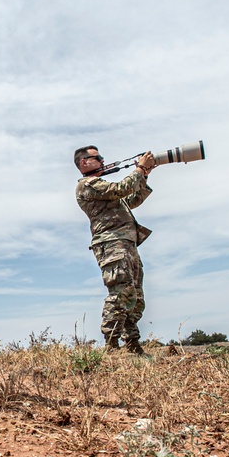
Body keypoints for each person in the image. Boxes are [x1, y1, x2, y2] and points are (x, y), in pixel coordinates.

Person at [74, 146, 156, 354]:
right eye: (97, 158)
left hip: (126, 243)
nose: (102, 161)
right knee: (120, 292)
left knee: (135, 295)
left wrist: (143, 176)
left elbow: (131, 200)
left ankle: (132, 345)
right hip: (111, 243)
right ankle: (111, 345)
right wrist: (138, 170)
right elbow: (120, 189)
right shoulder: (88, 184)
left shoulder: (102, 188)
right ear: (84, 162)